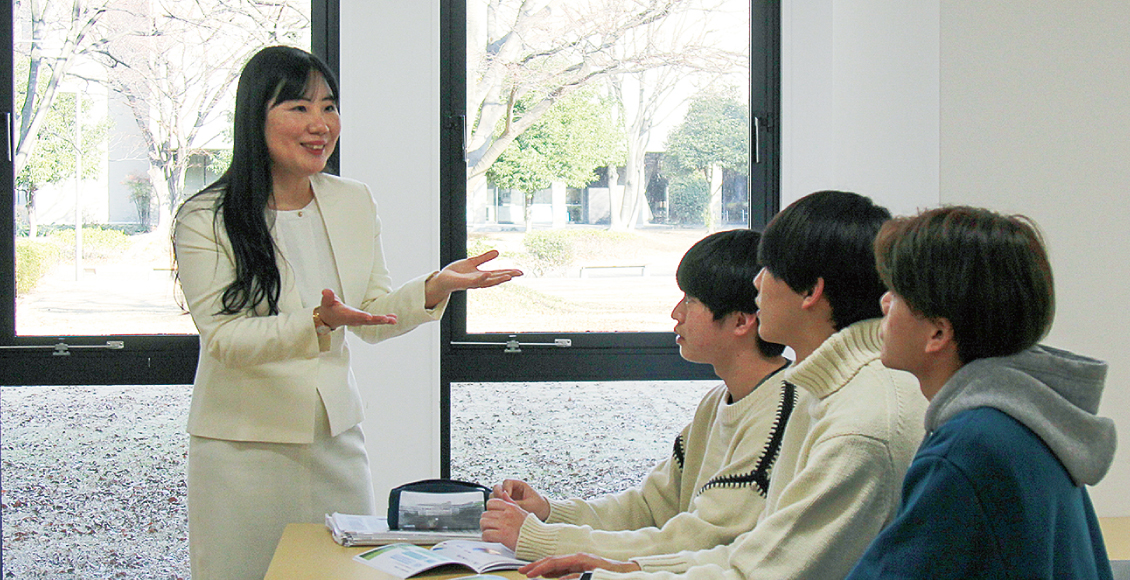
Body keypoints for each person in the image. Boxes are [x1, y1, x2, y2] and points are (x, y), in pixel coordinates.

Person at [172, 46, 521, 580]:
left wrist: (433, 287)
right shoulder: (205, 217)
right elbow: (225, 339)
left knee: (346, 574)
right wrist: (317, 323)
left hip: (334, 440)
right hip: (240, 447)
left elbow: (373, 314)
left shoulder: (352, 199)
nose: (321, 125)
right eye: (299, 108)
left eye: (329, 107)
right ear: (254, 119)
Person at [519, 190, 926, 580]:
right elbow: (750, 552)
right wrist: (626, 567)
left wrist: (572, 554)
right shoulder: (824, 392)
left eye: (768, 271)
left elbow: (759, 570)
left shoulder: (860, 422)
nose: (756, 284)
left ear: (810, 291)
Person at [480, 229, 792, 561]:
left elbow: (696, 543)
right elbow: (648, 507)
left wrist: (539, 538)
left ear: (742, 320)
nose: (677, 314)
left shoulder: (782, 414)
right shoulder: (717, 402)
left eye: (690, 300)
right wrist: (548, 512)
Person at [843, 206, 1115, 579]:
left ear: (938, 333)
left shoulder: (968, 448)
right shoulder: (1031, 425)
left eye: (898, 293)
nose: (884, 303)